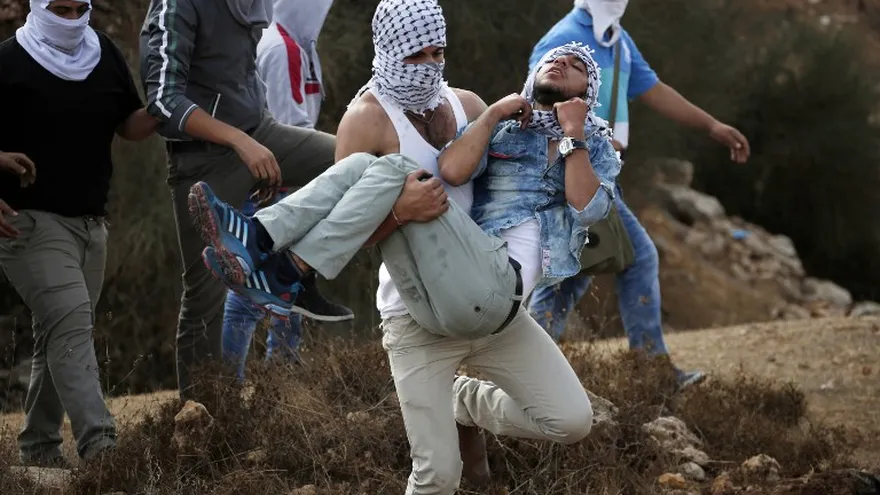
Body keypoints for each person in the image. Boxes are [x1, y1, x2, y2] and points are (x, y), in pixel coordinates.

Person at [188, 3, 620, 493]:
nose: (431, 64)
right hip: (414, 308)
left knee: (569, 420)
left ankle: (275, 256)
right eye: (417, 54)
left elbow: (562, 197)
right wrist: (400, 214)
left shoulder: (470, 106)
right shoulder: (365, 119)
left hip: (493, 299)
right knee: (437, 477)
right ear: (390, 50)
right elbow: (348, 231)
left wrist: (566, 133)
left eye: (439, 51)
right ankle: (272, 251)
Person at [528, 0, 752, 389]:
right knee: (636, 257)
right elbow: (537, 106)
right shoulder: (564, 40)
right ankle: (651, 371)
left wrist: (712, 127)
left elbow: (653, 89)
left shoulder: (617, 40)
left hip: (598, 178)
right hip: (575, 178)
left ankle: (528, 370)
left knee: (570, 278)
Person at [139, 0, 352, 400]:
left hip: (260, 130)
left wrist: (255, 143)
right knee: (205, 295)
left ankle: (290, 271)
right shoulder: (175, 6)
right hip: (203, 160)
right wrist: (240, 142)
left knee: (353, 166)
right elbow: (164, 102)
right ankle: (206, 420)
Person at [0, 0, 157, 467]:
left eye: (79, 9)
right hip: (26, 223)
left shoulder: (101, 53)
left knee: (62, 332)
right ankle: (103, 450)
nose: (71, 21)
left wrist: (168, 111)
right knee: (70, 326)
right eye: (60, 10)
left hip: (90, 225)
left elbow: (127, 123)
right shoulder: (8, 60)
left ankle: (39, 449)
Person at [221, 0, 335, 381]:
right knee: (248, 292)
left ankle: (281, 380)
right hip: (276, 184)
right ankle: (227, 386)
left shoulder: (296, 45)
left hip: (277, 180)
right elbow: (289, 132)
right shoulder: (280, 47)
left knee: (287, 287)